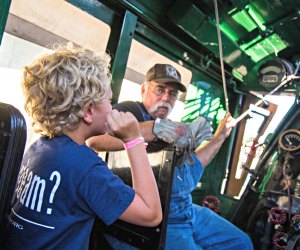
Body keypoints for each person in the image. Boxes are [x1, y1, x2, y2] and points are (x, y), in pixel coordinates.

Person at [5, 44, 162, 250]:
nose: (112, 107)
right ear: (88, 111)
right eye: (109, 100)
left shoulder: (39, 147)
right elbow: (151, 215)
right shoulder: (86, 168)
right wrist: (133, 140)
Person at [87, 63, 254, 249]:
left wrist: (220, 136)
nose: (166, 98)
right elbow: (95, 140)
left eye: (173, 94)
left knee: (241, 242)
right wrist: (156, 129)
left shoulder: (174, 129)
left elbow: (193, 166)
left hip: (186, 208)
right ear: (143, 89)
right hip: (159, 216)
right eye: (160, 89)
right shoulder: (129, 112)